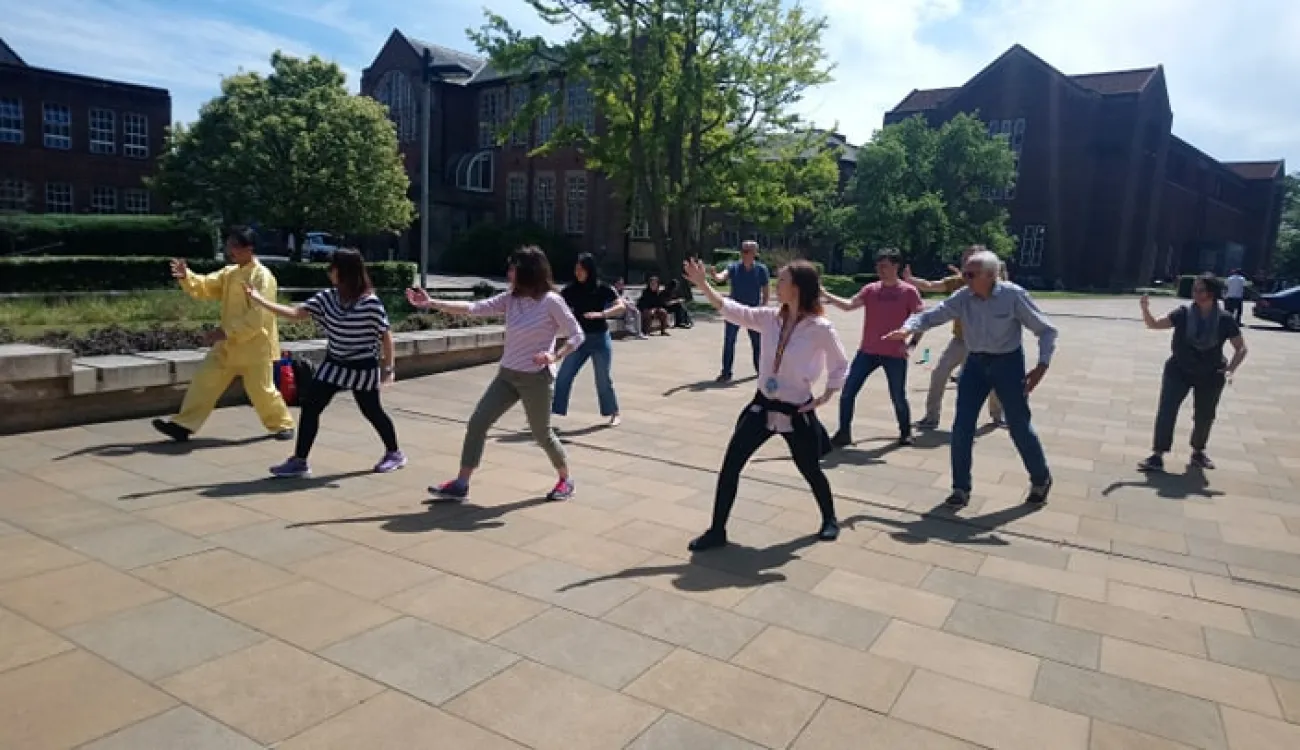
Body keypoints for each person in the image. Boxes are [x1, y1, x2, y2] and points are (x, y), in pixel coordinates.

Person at [682, 257, 849, 551]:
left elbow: (840, 364)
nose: (776, 285)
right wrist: (703, 285)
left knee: (810, 468)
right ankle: (717, 530)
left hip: (796, 410)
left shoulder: (820, 328)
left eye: (782, 280)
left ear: (797, 287)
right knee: (731, 465)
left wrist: (826, 395)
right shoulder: (770, 318)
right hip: (762, 406)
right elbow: (732, 310)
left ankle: (830, 518)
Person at [406, 246, 584, 501]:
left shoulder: (551, 301)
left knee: (541, 433)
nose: (509, 273)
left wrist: (554, 355)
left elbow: (577, 335)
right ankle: (461, 483)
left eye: (513, 268)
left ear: (528, 271)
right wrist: (432, 303)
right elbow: (474, 308)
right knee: (478, 423)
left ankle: (566, 480)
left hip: (536, 378)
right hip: (507, 375)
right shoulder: (511, 298)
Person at [884, 249, 1057, 508]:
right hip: (975, 364)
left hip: (1007, 364)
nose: (964, 279)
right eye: (964, 273)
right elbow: (933, 314)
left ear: (990, 275)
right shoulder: (963, 296)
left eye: (970, 275)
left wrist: (1042, 366)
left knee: (1019, 425)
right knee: (962, 427)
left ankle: (1041, 478)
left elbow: (1046, 330)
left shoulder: (1013, 296)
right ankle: (960, 488)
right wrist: (907, 328)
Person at [244, 249, 405, 478]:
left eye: (332, 268)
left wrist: (388, 370)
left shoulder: (370, 303)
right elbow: (296, 313)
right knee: (311, 406)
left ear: (344, 271)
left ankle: (394, 453)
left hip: (362, 367)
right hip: (334, 364)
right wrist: (260, 300)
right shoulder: (327, 297)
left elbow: (386, 336)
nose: (329, 272)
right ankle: (300, 461)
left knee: (372, 411)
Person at [152, 226, 295, 443]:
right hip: (227, 345)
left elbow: (258, 316)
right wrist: (187, 276)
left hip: (255, 346)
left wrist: (226, 332)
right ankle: (183, 425)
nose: (230, 251)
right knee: (205, 380)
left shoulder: (262, 277)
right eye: (229, 245)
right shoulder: (230, 273)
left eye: (234, 246)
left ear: (249, 248)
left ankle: (283, 424)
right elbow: (206, 286)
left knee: (262, 391)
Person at [1137, 274, 1247, 472]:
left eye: (1200, 289)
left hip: (1211, 373)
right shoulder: (1183, 313)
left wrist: (1231, 369)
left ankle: (1198, 452)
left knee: (1205, 415)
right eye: (1194, 289)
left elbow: (1241, 348)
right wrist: (1145, 309)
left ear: (1211, 293)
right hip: (1178, 370)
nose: (1195, 293)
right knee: (1167, 411)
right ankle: (1157, 454)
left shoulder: (1224, 319)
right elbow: (1154, 324)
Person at [821, 248, 923, 447]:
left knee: (898, 395)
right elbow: (849, 305)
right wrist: (825, 294)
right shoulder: (871, 290)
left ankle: (905, 432)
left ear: (896, 266)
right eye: (878, 266)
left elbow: (921, 320)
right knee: (848, 392)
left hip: (894, 353)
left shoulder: (908, 292)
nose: (880, 270)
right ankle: (844, 433)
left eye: (884, 266)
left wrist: (911, 345)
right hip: (867, 351)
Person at [903, 246, 1005, 428]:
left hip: (987, 343)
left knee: (993, 379)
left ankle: (997, 416)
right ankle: (931, 417)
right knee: (939, 374)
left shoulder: (995, 285)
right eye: (965, 260)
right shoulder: (958, 282)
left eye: (971, 260)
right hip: (960, 341)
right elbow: (931, 285)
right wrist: (911, 280)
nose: (966, 264)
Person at [552, 253, 624, 427]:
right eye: (576, 269)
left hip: (600, 339)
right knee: (563, 376)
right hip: (578, 340)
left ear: (589, 270)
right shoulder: (570, 290)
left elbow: (621, 306)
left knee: (603, 379)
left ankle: (614, 412)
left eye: (581, 269)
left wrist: (602, 314)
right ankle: (554, 410)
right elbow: (555, 305)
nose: (578, 272)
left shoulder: (603, 288)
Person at [713, 240, 771, 382]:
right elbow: (722, 276)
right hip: (734, 311)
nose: (743, 254)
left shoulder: (761, 269)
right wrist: (715, 276)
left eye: (747, 251)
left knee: (757, 343)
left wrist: (763, 307)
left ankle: (761, 370)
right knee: (729, 341)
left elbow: (766, 290)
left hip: (753, 312)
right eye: (743, 250)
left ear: (754, 253)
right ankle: (726, 373)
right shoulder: (734, 267)